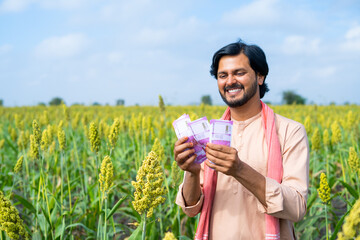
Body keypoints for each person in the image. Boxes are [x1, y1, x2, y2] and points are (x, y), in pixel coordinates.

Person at [174, 40, 309, 240]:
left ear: (260, 76)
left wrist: (240, 170)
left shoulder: (290, 131)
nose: (230, 81)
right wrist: (192, 172)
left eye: (239, 73)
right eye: (222, 75)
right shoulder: (208, 135)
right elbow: (191, 209)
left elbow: (297, 208)